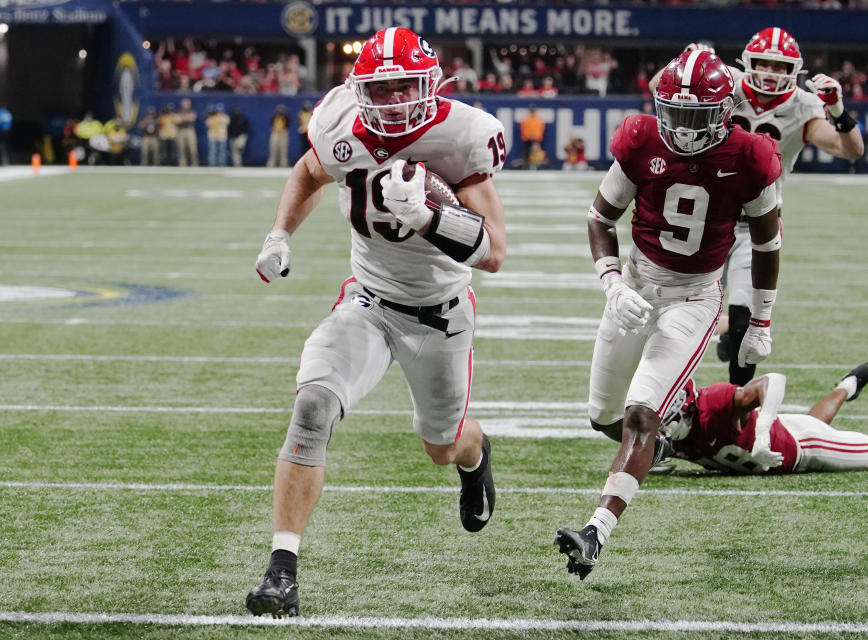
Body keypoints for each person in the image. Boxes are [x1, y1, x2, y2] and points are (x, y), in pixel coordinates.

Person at [245, 26, 506, 618]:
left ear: (430, 84)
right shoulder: (341, 122)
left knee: (442, 447)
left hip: (440, 315)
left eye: (403, 87)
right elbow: (309, 173)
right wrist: (280, 233)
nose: (391, 101)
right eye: (379, 89)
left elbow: (494, 251)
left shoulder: (464, 134)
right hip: (368, 300)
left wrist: (433, 217)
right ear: (358, 88)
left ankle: (475, 452)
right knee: (312, 405)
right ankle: (281, 571)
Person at [554, 49, 782, 581]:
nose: (682, 127)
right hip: (635, 284)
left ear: (725, 111)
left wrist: (762, 319)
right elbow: (600, 216)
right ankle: (680, 432)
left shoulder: (751, 155)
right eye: (674, 113)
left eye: (697, 116)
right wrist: (610, 281)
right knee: (603, 416)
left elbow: (768, 246)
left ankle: (595, 532)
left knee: (638, 415)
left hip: (694, 297)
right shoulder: (640, 138)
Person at [653, 31, 864, 385]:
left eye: (778, 65)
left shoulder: (804, 106)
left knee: (745, 326)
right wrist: (687, 60)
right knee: (673, 312)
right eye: (763, 62)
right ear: (747, 63)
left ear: (793, 69)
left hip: (755, 223)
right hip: (705, 214)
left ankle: (736, 408)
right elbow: (658, 86)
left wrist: (838, 110)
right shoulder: (726, 83)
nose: (769, 71)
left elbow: (851, 150)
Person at [663, 364, 868, 474]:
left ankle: (849, 385)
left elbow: (774, 380)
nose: (663, 428)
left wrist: (762, 431)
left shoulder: (714, 404)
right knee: (814, 421)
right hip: (789, 432)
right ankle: (849, 385)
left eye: (669, 418)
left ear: (688, 407)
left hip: (805, 446)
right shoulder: (656, 429)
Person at [176, 98, 199, 167]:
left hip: (190, 130)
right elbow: (177, 119)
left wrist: (183, 118)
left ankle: (194, 163)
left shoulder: (192, 110)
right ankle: (183, 164)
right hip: (181, 130)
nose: (186, 105)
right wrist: (186, 118)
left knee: (192, 148)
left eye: (187, 103)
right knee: (181, 148)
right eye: (184, 103)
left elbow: (192, 118)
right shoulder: (179, 111)